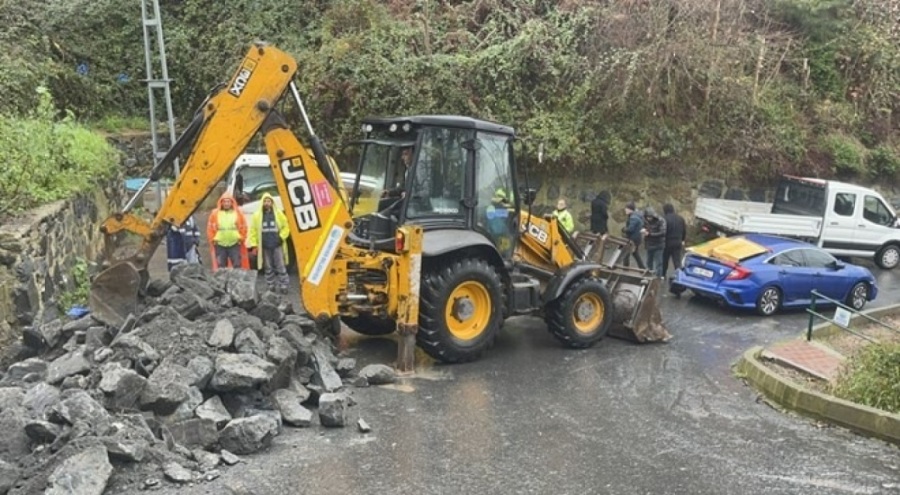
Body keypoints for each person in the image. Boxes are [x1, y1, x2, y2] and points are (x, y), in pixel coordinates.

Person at [247, 193, 291, 294]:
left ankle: (284, 284)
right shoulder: (257, 216)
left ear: (272, 202)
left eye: (269, 201)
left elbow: (286, 226)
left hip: (277, 244)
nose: (267, 203)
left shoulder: (279, 214)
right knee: (268, 266)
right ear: (262, 203)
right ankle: (271, 285)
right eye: (265, 201)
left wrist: (281, 237)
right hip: (265, 245)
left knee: (280, 265)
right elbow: (253, 231)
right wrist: (254, 245)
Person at [206, 192, 248, 271]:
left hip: (234, 243)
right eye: (224, 202)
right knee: (221, 267)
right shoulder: (215, 213)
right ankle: (222, 283)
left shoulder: (238, 213)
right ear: (221, 203)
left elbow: (244, 226)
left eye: (228, 202)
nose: (226, 204)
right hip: (220, 244)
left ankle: (236, 282)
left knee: (237, 265)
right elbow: (210, 228)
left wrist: (241, 238)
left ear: (232, 203)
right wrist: (213, 240)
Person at [662, 203, 687, 279]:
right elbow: (684, 230)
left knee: (665, 259)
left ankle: (663, 275)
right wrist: (682, 239)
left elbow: (663, 231)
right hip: (678, 242)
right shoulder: (681, 218)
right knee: (677, 260)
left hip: (667, 242)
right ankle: (679, 275)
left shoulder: (664, 218)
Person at [642, 206, 667, 277]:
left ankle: (658, 279)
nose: (649, 219)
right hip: (649, 244)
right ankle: (648, 277)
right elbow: (643, 226)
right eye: (647, 217)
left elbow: (662, 233)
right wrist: (643, 230)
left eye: (650, 217)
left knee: (658, 263)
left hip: (658, 245)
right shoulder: (645, 220)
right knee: (648, 262)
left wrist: (649, 234)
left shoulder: (661, 220)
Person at [622, 201, 646, 269]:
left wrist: (624, 229)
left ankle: (625, 269)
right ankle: (642, 268)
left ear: (630, 209)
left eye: (626, 208)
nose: (625, 210)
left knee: (626, 254)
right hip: (636, 239)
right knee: (635, 254)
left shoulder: (633, 218)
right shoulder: (636, 216)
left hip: (633, 239)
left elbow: (630, 229)